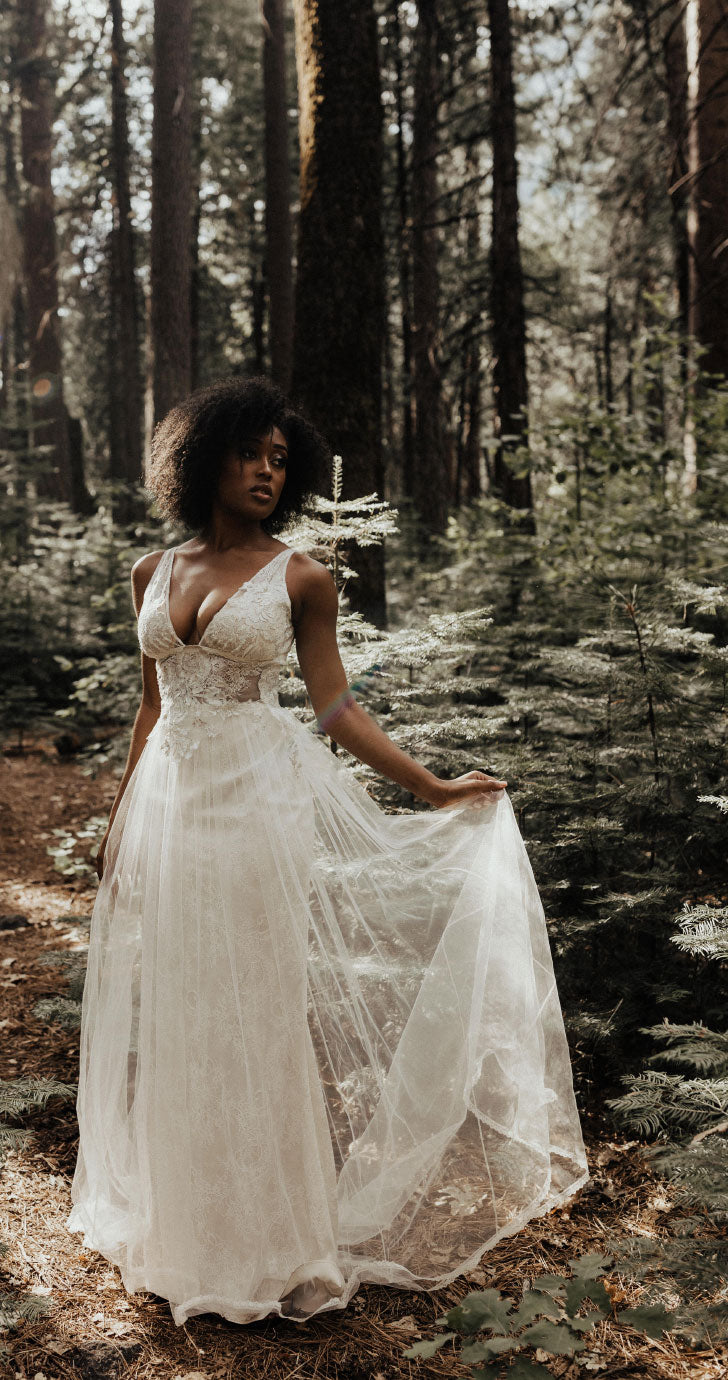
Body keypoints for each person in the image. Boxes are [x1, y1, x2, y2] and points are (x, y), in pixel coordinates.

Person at [67, 376, 588, 1327]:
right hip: (171, 805)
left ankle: (277, 1241)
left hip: (258, 804)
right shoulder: (153, 571)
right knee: (186, 1005)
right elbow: (151, 705)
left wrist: (430, 786)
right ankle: (192, 1232)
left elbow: (335, 707)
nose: (266, 472)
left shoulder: (302, 576)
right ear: (201, 456)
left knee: (256, 1008)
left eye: (279, 460)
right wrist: (116, 825)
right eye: (249, 454)